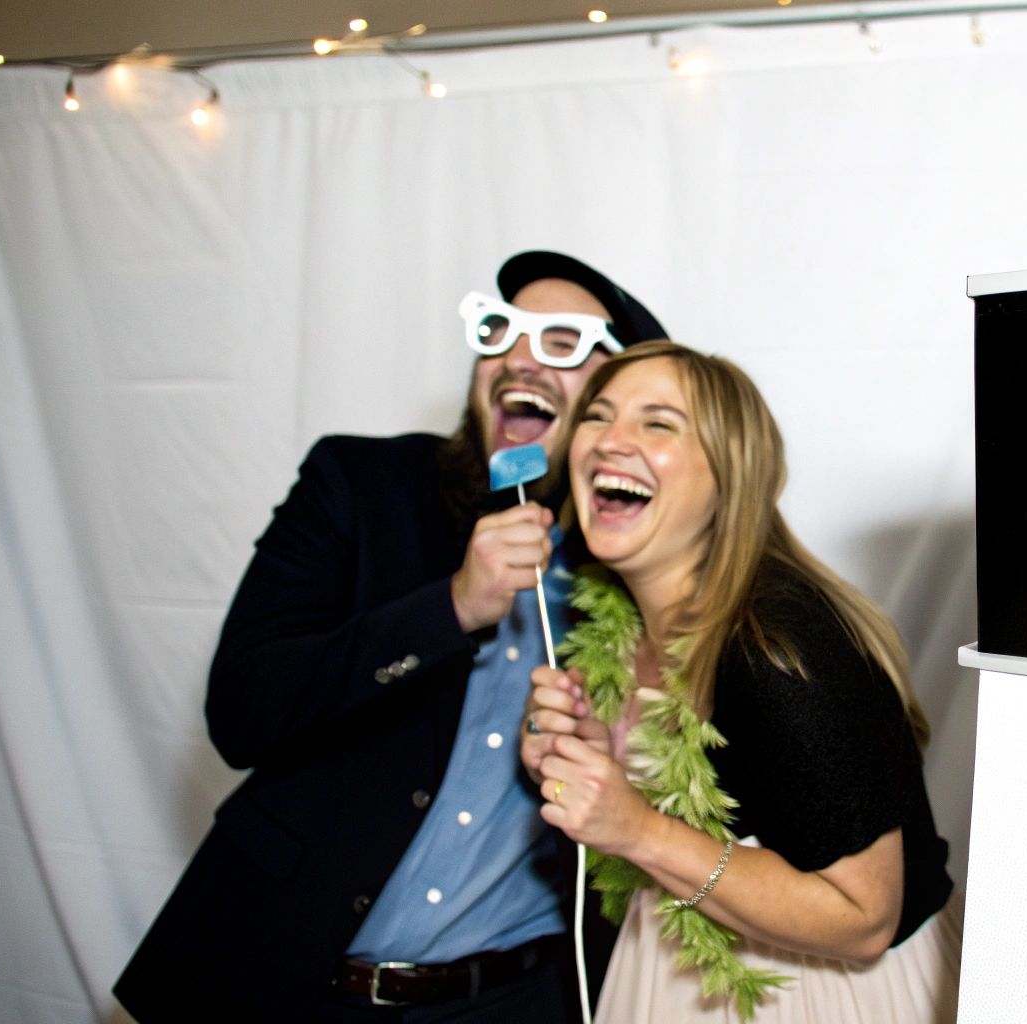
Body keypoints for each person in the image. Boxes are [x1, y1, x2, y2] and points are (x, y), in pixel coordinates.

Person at [113, 252, 668, 1022]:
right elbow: (242, 712)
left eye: (563, 344)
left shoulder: (633, 566)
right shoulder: (362, 484)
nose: (518, 358)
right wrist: (451, 606)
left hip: (510, 997)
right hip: (287, 980)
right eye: (501, 330)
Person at [520, 341, 962, 1022]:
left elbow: (865, 918)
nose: (612, 441)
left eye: (658, 423)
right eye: (598, 416)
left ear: (731, 475)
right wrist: (576, 753)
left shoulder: (781, 649)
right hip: (670, 963)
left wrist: (635, 830)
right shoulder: (611, 620)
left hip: (811, 991)